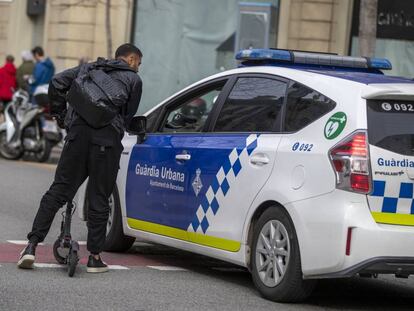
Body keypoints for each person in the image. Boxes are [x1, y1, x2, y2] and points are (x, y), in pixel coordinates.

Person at [17, 43, 143, 273]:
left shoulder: (89, 68)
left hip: (77, 138)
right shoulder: (133, 80)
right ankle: (94, 257)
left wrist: (61, 115)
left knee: (58, 192)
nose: (139, 67)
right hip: (106, 143)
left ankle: (31, 247)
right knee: (99, 198)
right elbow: (128, 115)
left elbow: (56, 82)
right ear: (132, 59)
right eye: (139, 63)